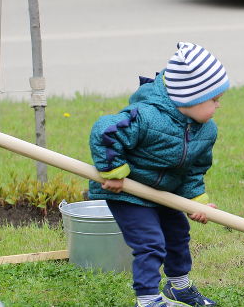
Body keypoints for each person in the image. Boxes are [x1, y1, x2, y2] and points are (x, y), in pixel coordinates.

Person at [88, 42, 228, 307]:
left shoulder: (206, 130)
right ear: (191, 96)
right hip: (129, 193)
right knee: (150, 244)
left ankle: (179, 287)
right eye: (214, 100)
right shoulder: (147, 116)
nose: (218, 106)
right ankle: (148, 299)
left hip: (166, 194)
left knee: (177, 235)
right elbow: (105, 130)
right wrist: (113, 171)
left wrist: (195, 202)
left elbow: (194, 169)